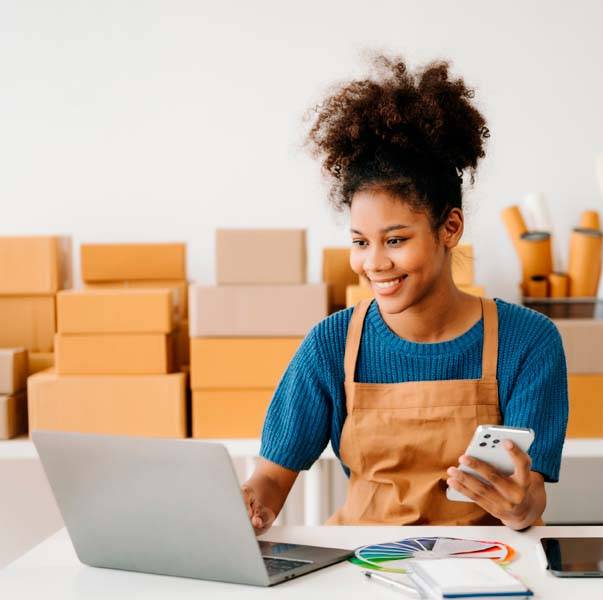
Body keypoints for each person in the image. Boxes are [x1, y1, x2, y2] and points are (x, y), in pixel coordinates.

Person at [241, 55, 568, 532]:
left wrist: (522, 507)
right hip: (362, 566)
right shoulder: (331, 344)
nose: (374, 263)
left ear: (449, 227)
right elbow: (271, 475)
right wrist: (251, 504)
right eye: (360, 242)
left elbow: (531, 491)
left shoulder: (528, 342)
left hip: (482, 568)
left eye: (395, 240)